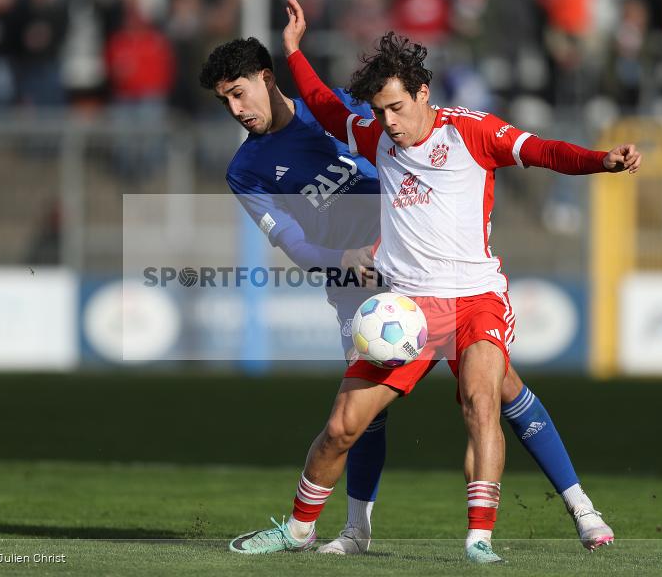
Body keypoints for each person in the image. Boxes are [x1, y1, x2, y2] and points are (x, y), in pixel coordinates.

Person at [200, 32, 627, 558]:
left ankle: (566, 511)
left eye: (239, 93)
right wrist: (341, 261)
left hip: (444, 284)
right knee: (358, 420)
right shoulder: (255, 167)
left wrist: (599, 161)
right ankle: (351, 531)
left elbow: (525, 151)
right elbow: (291, 239)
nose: (235, 109)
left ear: (266, 80)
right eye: (225, 102)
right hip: (368, 291)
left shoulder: (380, 115)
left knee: (492, 395)